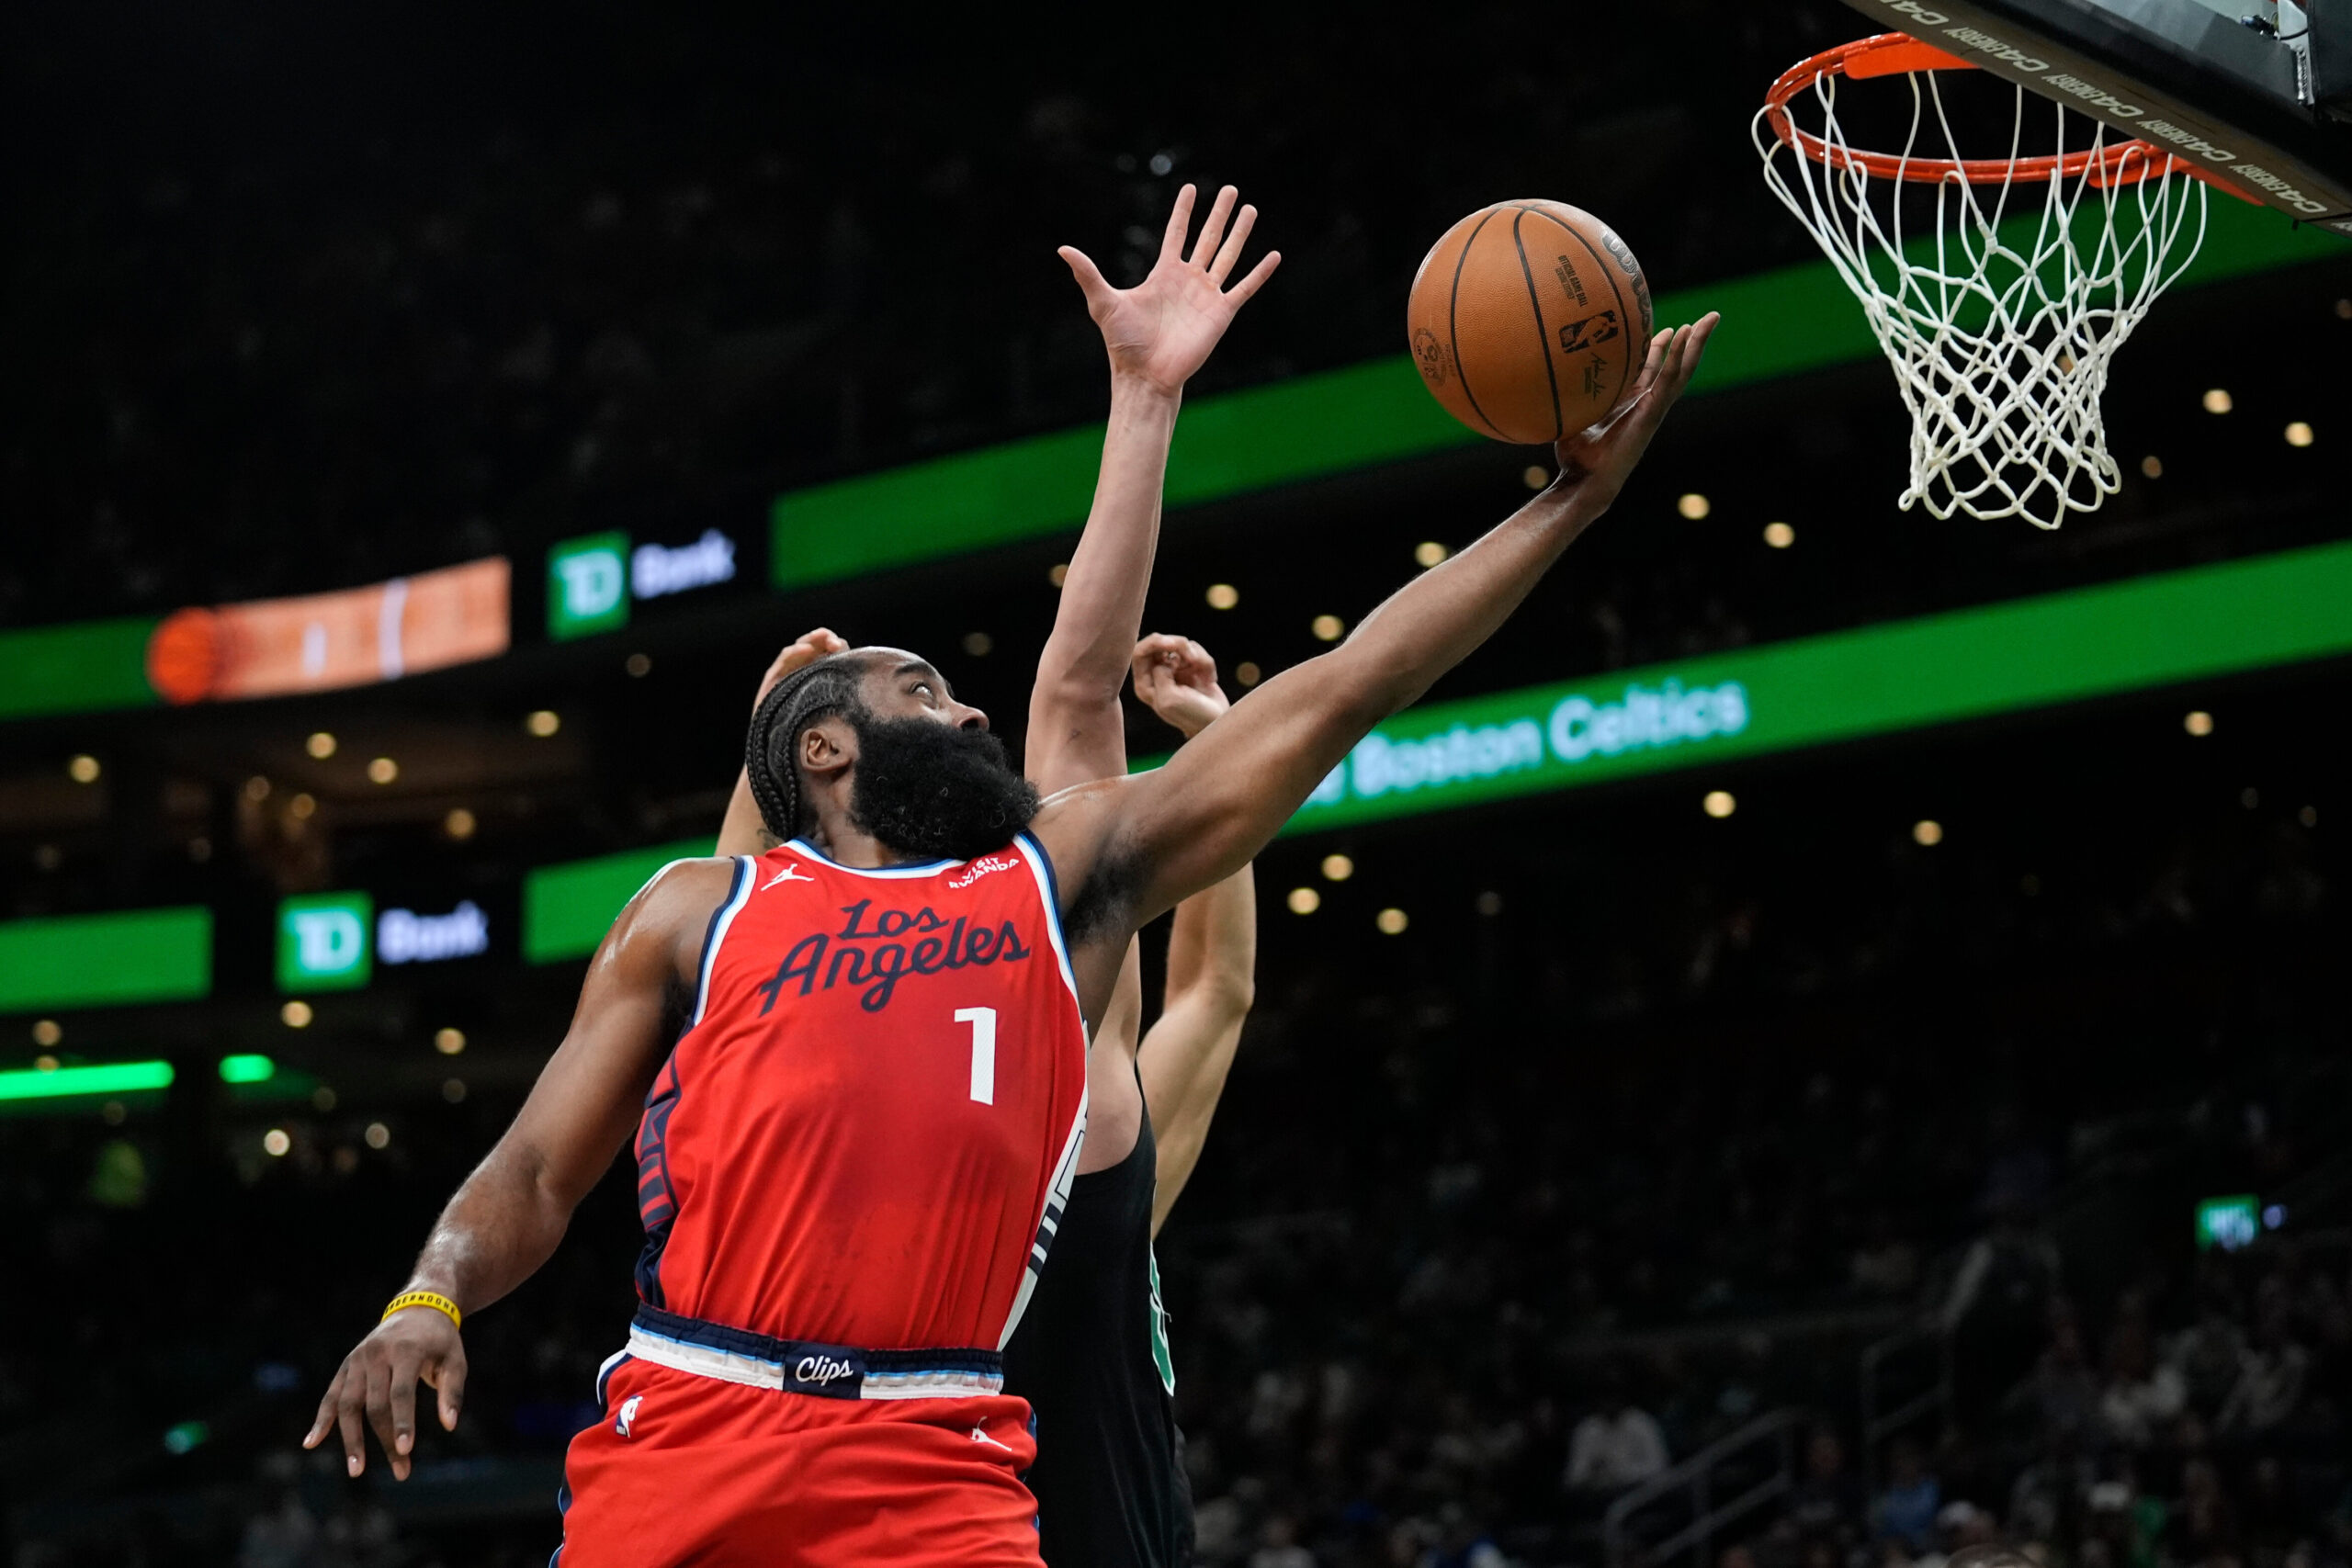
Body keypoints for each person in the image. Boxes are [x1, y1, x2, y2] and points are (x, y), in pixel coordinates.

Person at [305, 189, 1717, 1559]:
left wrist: (1565, 507)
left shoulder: (1050, 891)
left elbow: (1338, 688)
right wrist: (430, 1295)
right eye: (923, 690)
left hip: (937, 1462)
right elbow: (537, 1167)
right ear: (828, 752)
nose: (972, 710)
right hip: (691, 1427)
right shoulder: (699, 911)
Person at [710, 180, 1268, 1566]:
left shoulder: (1053, 1000)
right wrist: (766, 759)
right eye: (926, 696)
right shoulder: (841, 1016)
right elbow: (724, 975)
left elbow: (1211, 975)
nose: (967, 717)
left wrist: (1146, 403)